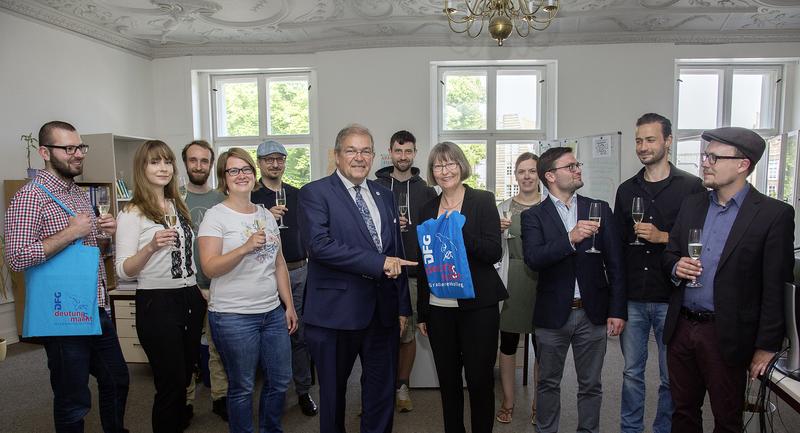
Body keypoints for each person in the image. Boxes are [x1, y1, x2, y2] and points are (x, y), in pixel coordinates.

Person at [663, 127, 794, 433]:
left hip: (728, 335)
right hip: (681, 328)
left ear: (742, 164)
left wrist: (766, 346)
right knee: (682, 412)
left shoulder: (773, 215)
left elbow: (776, 287)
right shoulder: (692, 204)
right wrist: (675, 267)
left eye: (713, 157)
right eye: (705, 156)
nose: (705, 163)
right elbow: (669, 254)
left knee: (727, 418)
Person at [4, 120, 130, 432]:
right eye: (69, 148)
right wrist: (71, 231)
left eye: (80, 147)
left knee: (117, 379)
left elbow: (82, 248)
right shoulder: (29, 197)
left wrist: (103, 234)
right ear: (45, 152)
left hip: (94, 307)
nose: (78, 154)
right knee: (73, 398)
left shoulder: (76, 193)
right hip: (62, 313)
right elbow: (16, 257)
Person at [298, 124, 414, 433]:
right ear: (336, 156)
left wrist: (403, 306)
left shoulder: (384, 194)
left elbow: (395, 251)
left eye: (365, 151)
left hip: (383, 313)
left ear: (374, 157)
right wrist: (378, 263)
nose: (359, 157)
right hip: (335, 314)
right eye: (351, 150)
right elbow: (319, 246)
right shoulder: (315, 193)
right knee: (334, 397)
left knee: (380, 394)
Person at [521, 146, 626, 433]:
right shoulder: (534, 217)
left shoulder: (599, 208)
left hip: (592, 315)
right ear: (551, 175)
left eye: (577, 164)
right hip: (552, 315)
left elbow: (616, 264)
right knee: (548, 384)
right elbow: (534, 259)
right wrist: (570, 238)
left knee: (591, 385)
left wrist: (617, 310)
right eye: (571, 166)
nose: (578, 169)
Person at [613, 113, 705, 433]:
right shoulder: (626, 190)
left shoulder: (693, 188)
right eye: (639, 140)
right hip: (634, 297)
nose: (643, 146)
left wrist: (662, 236)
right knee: (630, 374)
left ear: (668, 140)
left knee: (671, 377)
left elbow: (701, 239)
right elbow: (617, 247)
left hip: (673, 297)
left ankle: (663, 429)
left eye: (650, 139)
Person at [198, 148, 298, 433]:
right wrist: (243, 248)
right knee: (242, 387)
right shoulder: (215, 217)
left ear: (253, 176)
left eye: (246, 169)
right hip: (232, 317)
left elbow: (278, 264)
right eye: (233, 170)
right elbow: (209, 268)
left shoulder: (265, 215)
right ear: (224, 178)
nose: (241, 175)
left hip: (271, 312)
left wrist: (288, 306)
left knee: (279, 380)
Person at [115, 140, 207, 433]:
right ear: (142, 168)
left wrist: (198, 288)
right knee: (169, 384)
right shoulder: (132, 212)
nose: (163, 168)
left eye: (167, 162)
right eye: (155, 162)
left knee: (184, 378)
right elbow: (124, 270)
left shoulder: (177, 204)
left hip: (190, 297)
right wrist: (151, 247)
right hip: (157, 302)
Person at [416, 142, 508, 433]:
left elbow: (494, 252)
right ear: (433, 172)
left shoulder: (482, 200)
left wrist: (458, 230)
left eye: (451, 163)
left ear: (461, 166)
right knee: (448, 382)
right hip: (439, 308)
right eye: (438, 166)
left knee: (480, 381)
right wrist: (422, 312)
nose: (445, 171)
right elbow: (423, 261)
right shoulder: (427, 208)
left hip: (478, 307)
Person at [251, 139, 318, 417]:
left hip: (300, 269)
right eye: (269, 159)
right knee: (270, 337)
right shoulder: (251, 197)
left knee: (300, 335)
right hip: (266, 274)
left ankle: (303, 391)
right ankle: (273, 394)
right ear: (260, 163)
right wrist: (266, 216)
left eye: (280, 159)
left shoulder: (298, 193)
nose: (275, 164)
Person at [374, 130, 437, 413]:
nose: (403, 157)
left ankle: (402, 387)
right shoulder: (374, 186)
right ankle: (378, 391)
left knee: (407, 335)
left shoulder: (426, 190)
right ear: (390, 152)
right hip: (380, 273)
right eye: (398, 152)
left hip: (411, 274)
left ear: (415, 152)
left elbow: (432, 232)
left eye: (408, 151)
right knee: (379, 334)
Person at [180, 139, 229, 422]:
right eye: (193, 160)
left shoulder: (221, 201)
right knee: (186, 349)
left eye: (204, 161)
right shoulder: (174, 199)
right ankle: (185, 402)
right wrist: (196, 285)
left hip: (218, 287)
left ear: (211, 165)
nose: (199, 166)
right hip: (185, 288)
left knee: (217, 348)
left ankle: (220, 397)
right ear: (185, 163)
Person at [495, 152, 541, 425]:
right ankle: (509, 401)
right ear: (515, 175)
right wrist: (498, 232)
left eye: (532, 171)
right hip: (511, 280)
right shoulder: (503, 209)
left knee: (542, 344)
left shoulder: (550, 206)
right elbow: (493, 251)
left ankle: (538, 403)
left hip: (541, 281)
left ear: (540, 175)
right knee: (509, 343)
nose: (526, 176)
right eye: (522, 171)